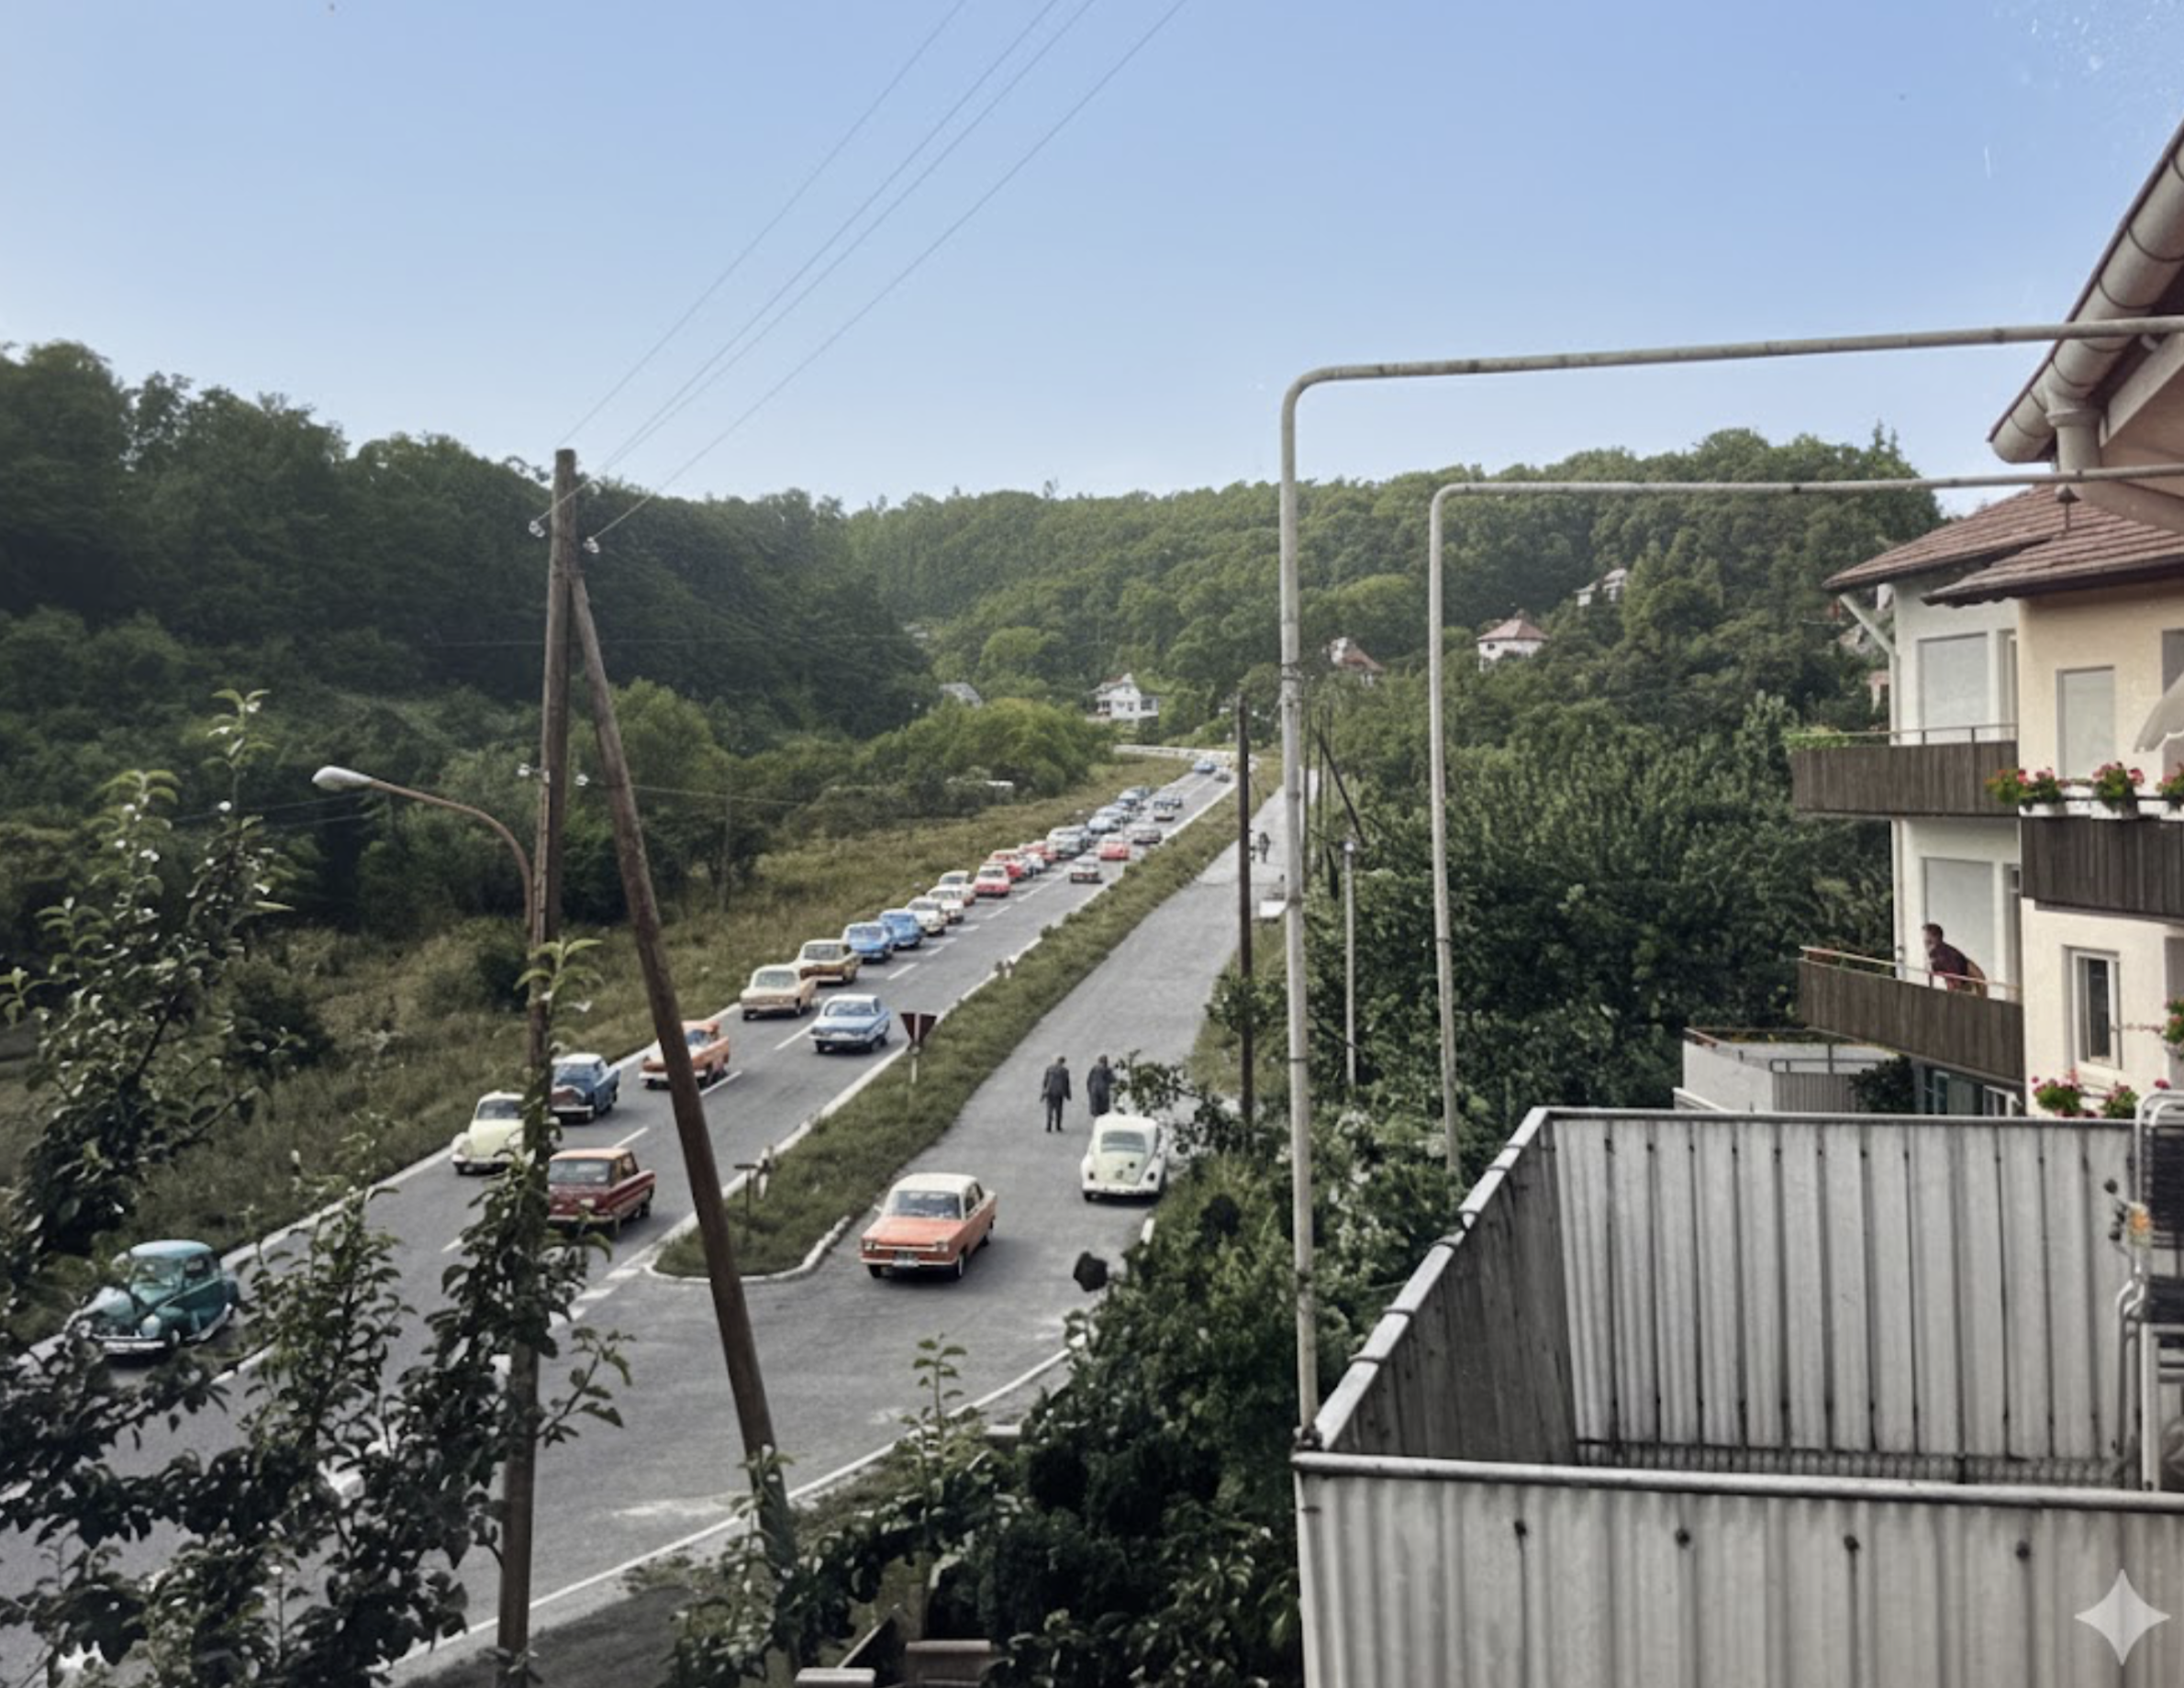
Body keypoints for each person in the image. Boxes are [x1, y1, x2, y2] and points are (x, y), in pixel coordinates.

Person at [1922, 923, 1986, 995]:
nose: (1924, 939)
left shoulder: (1945, 955)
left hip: (1973, 976)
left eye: (1928, 940)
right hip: (1963, 974)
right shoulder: (1931, 954)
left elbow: (1955, 981)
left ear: (1936, 938)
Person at [1041, 1055, 1072, 1132]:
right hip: (1059, 1093)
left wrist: (1043, 1092)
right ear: (1063, 1062)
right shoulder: (1065, 1071)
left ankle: (1048, 1126)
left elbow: (1045, 1081)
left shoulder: (1049, 1069)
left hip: (1050, 1091)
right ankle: (1058, 1126)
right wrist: (1068, 1095)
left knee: (1049, 1109)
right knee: (1059, 1110)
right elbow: (1066, 1083)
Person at [1086, 1054, 1114, 1118]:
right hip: (1103, 1092)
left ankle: (1097, 1121)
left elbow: (1089, 1080)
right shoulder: (1107, 1070)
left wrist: (1089, 1090)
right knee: (1103, 1111)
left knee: (1095, 1110)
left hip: (1093, 1091)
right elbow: (1112, 1080)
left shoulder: (1094, 1069)